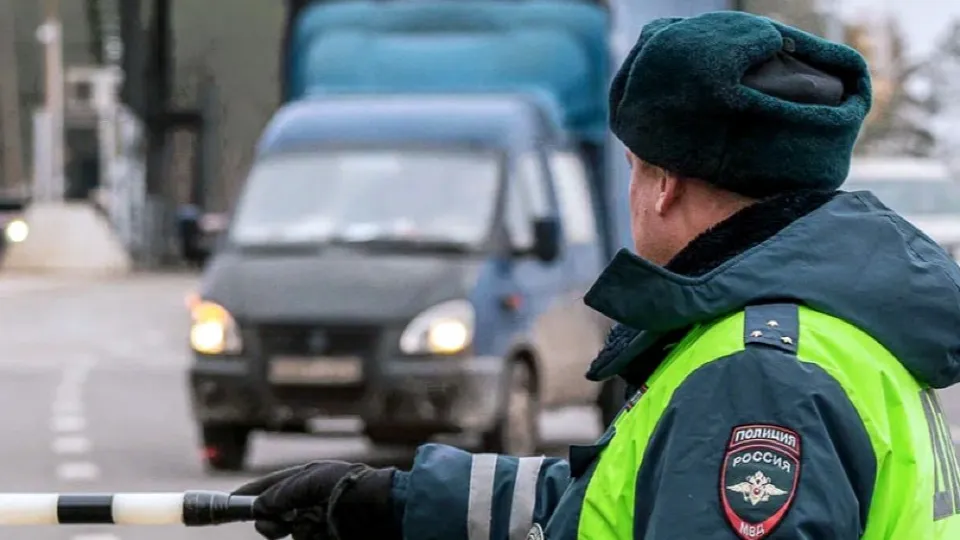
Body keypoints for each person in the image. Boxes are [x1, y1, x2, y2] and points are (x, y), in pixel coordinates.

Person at [233, 11, 960, 540]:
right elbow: (611, 497)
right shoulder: (826, 333)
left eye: (634, 169)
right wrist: (395, 500)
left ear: (664, 185)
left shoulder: (753, 376)